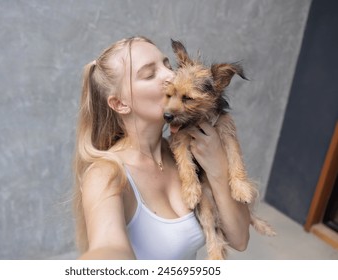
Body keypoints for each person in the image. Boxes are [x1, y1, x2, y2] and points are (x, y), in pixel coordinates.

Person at [72, 36, 250, 260]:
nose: (171, 75)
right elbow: (108, 247)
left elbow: (240, 239)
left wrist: (218, 166)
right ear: (120, 104)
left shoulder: (186, 153)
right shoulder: (105, 173)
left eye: (167, 65)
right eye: (149, 74)